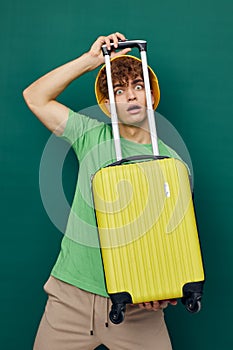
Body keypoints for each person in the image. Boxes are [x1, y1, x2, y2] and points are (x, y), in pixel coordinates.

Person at [23, 32, 178, 350]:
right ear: (107, 105)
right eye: (119, 91)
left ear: (151, 95)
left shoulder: (172, 163)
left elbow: (172, 237)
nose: (132, 96)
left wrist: (162, 289)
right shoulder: (89, 135)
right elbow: (35, 96)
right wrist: (90, 61)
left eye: (138, 86)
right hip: (71, 298)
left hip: (136, 305)